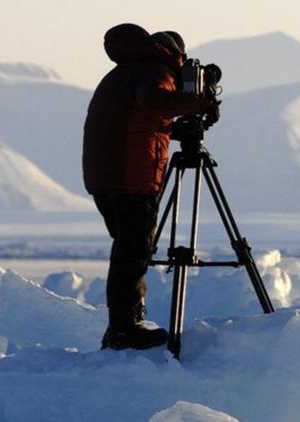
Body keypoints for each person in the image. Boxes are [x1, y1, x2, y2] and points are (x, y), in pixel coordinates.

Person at [82, 23, 210, 350]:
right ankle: (126, 329)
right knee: (133, 251)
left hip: (105, 176)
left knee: (128, 248)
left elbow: (137, 120)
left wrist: (176, 126)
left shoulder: (121, 74)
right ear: (176, 55)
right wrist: (196, 103)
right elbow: (154, 102)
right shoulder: (156, 70)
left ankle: (123, 327)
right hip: (131, 176)